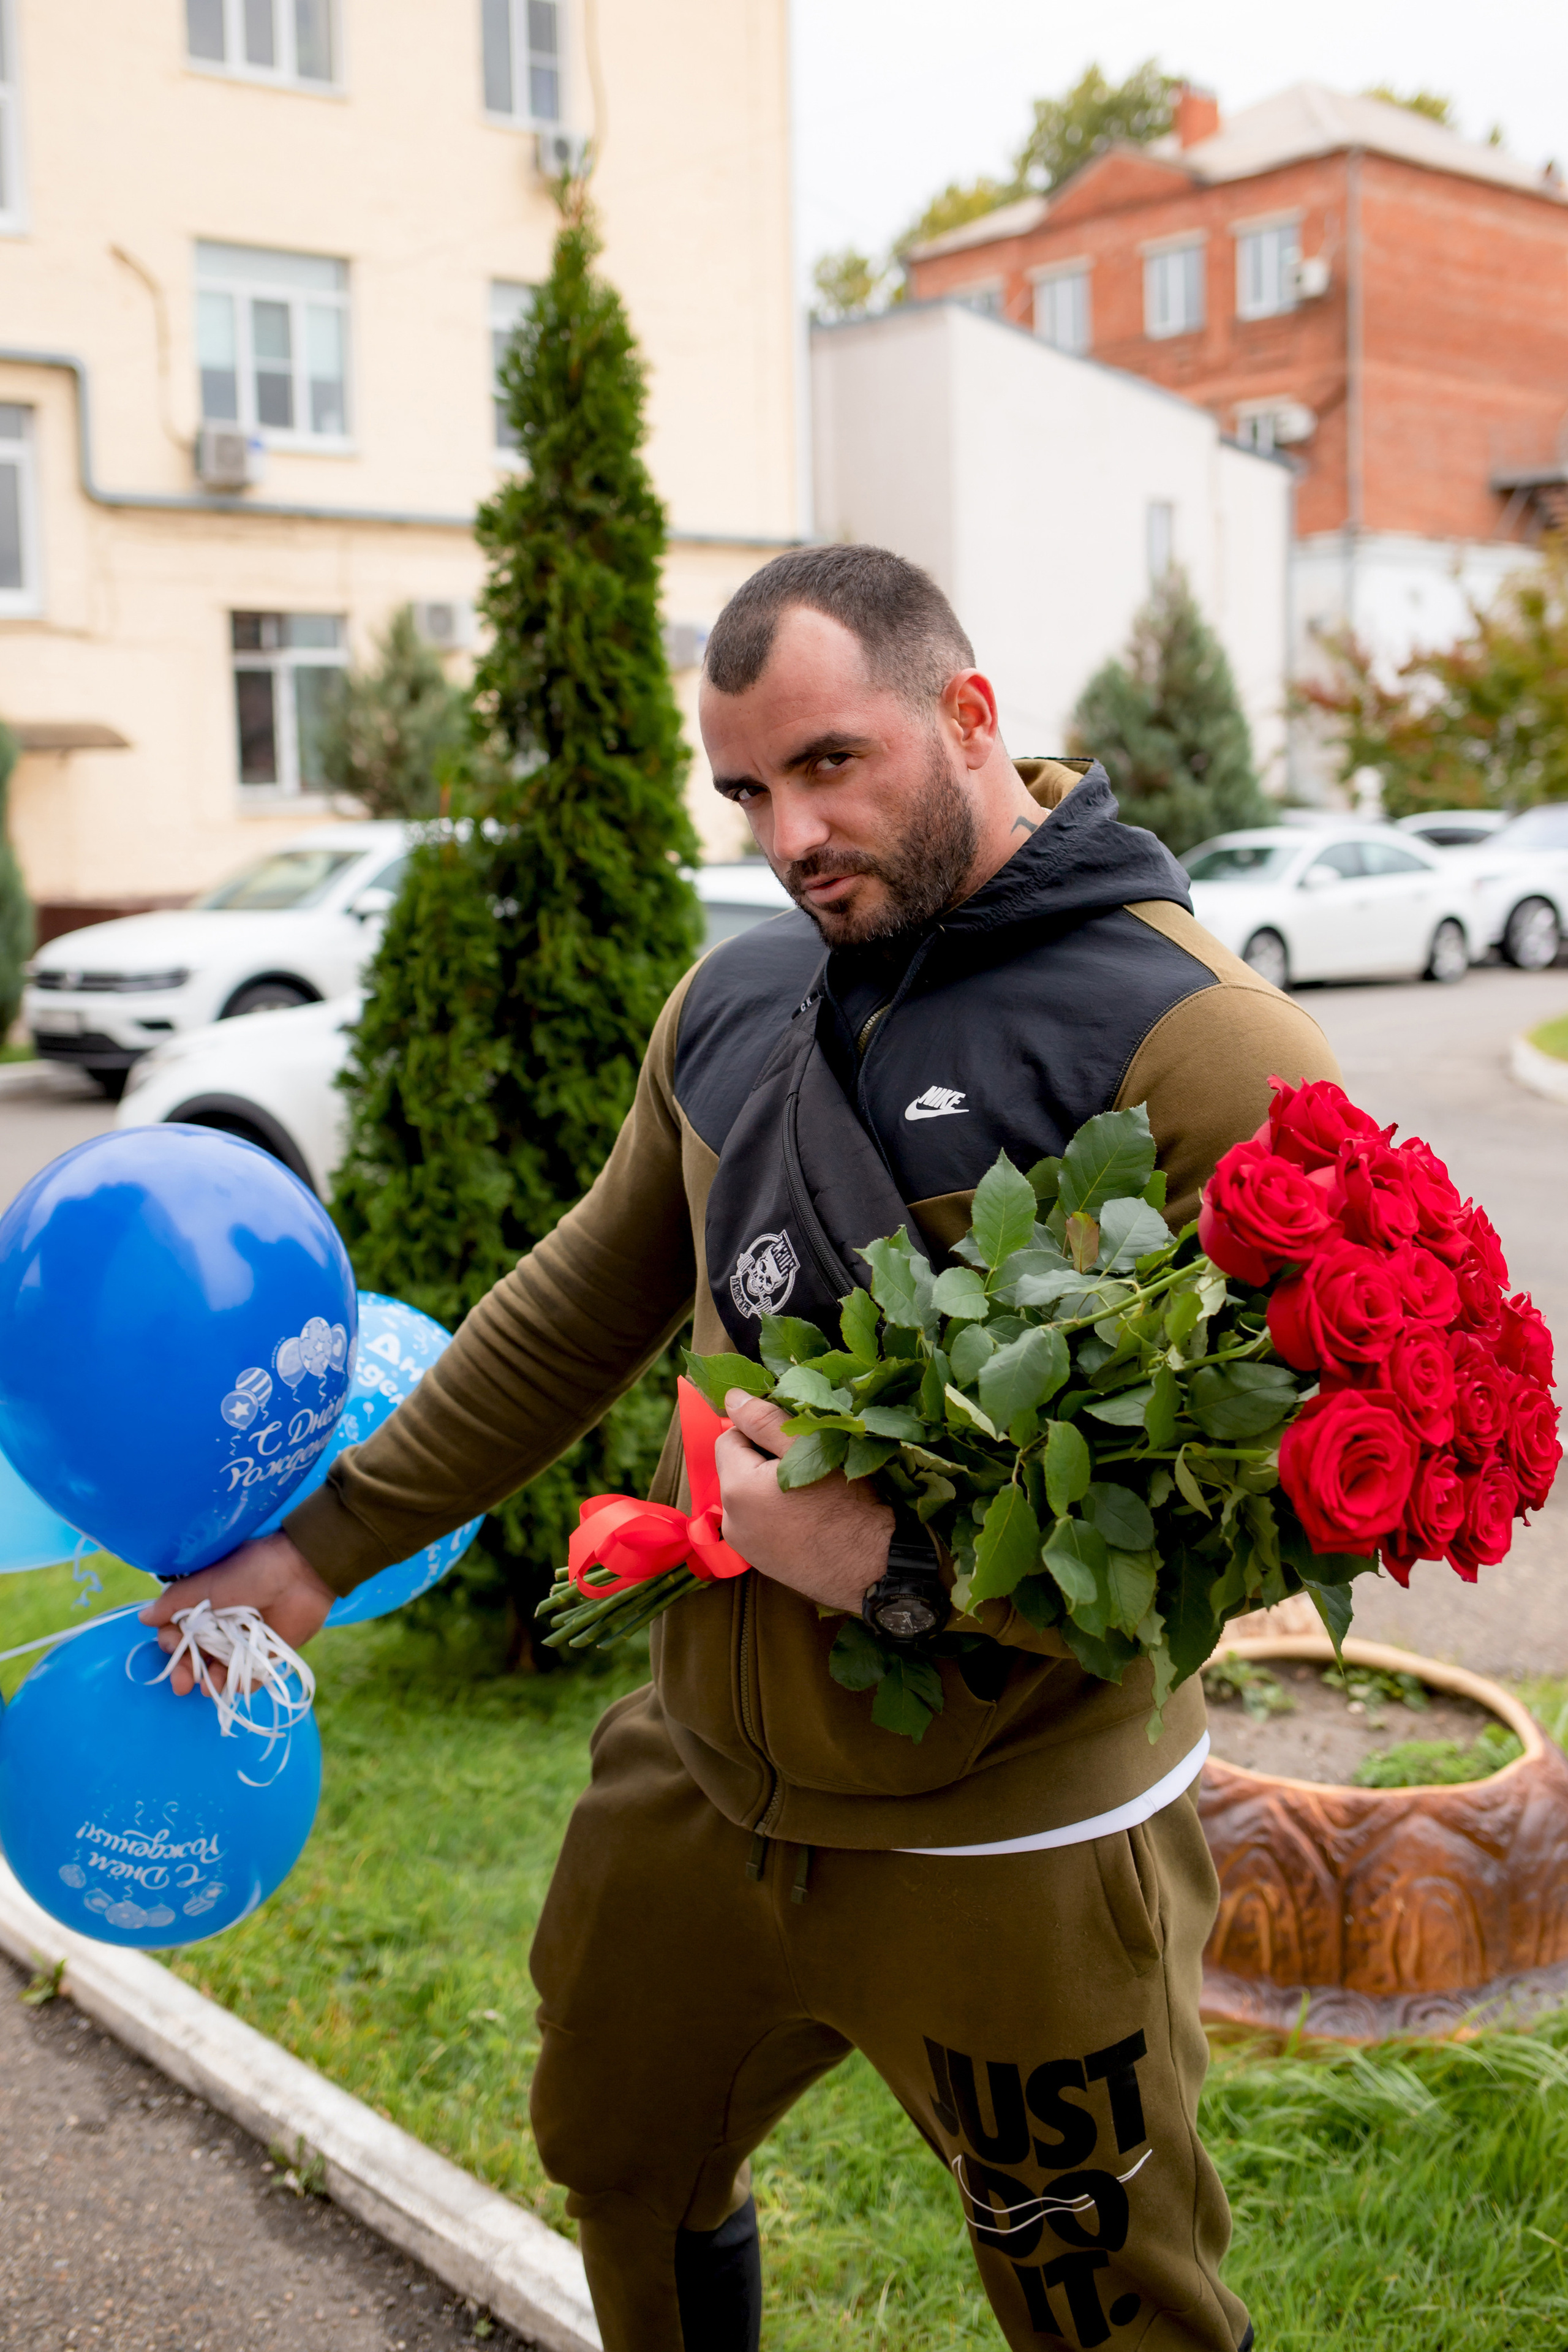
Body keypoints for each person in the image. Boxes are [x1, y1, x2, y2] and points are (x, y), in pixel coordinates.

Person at [147, 546, 1341, 2351]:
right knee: (617, 2161)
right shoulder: (730, 1003)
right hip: (703, 1788)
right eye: (747, 792)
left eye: (832, 764)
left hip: (1011, 1841)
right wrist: (318, 1550)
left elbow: (1270, 1505)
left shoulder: (1196, 1043)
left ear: (971, 717)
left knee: (1113, 2311)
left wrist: (892, 1565)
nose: (789, 835)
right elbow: (578, 1303)